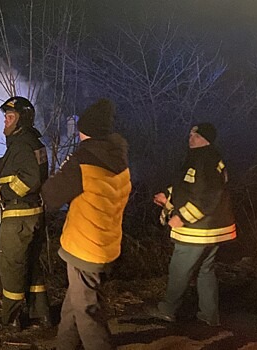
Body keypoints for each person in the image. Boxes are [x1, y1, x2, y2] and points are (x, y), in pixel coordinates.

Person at [41, 98, 131, 350]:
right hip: (107, 242)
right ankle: (65, 344)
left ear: (87, 131)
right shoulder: (118, 156)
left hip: (85, 247)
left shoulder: (83, 160)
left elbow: (50, 196)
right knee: (75, 300)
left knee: (88, 313)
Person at [147, 122, 236, 327]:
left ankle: (168, 309)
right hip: (213, 229)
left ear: (205, 139)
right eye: (190, 135)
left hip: (198, 230)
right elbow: (187, 186)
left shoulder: (203, 159)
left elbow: (208, 195)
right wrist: (168, 195)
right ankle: (209, 314)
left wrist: (183, 217)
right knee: (206, 269)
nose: (190, 138)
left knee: (180, 268)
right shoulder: (206, 158)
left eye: (195, 135)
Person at [0, 96, 51, 330]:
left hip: (18, 216)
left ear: (22, 119)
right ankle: (42, 313)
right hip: (33, 213)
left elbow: (31, 179)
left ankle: (12, 318)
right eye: (5, 116)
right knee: (32, 263)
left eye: (10, 116)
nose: (5, 120)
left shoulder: (22, 143)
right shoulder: (32, 141)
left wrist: (1, 193)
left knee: (11, 264)